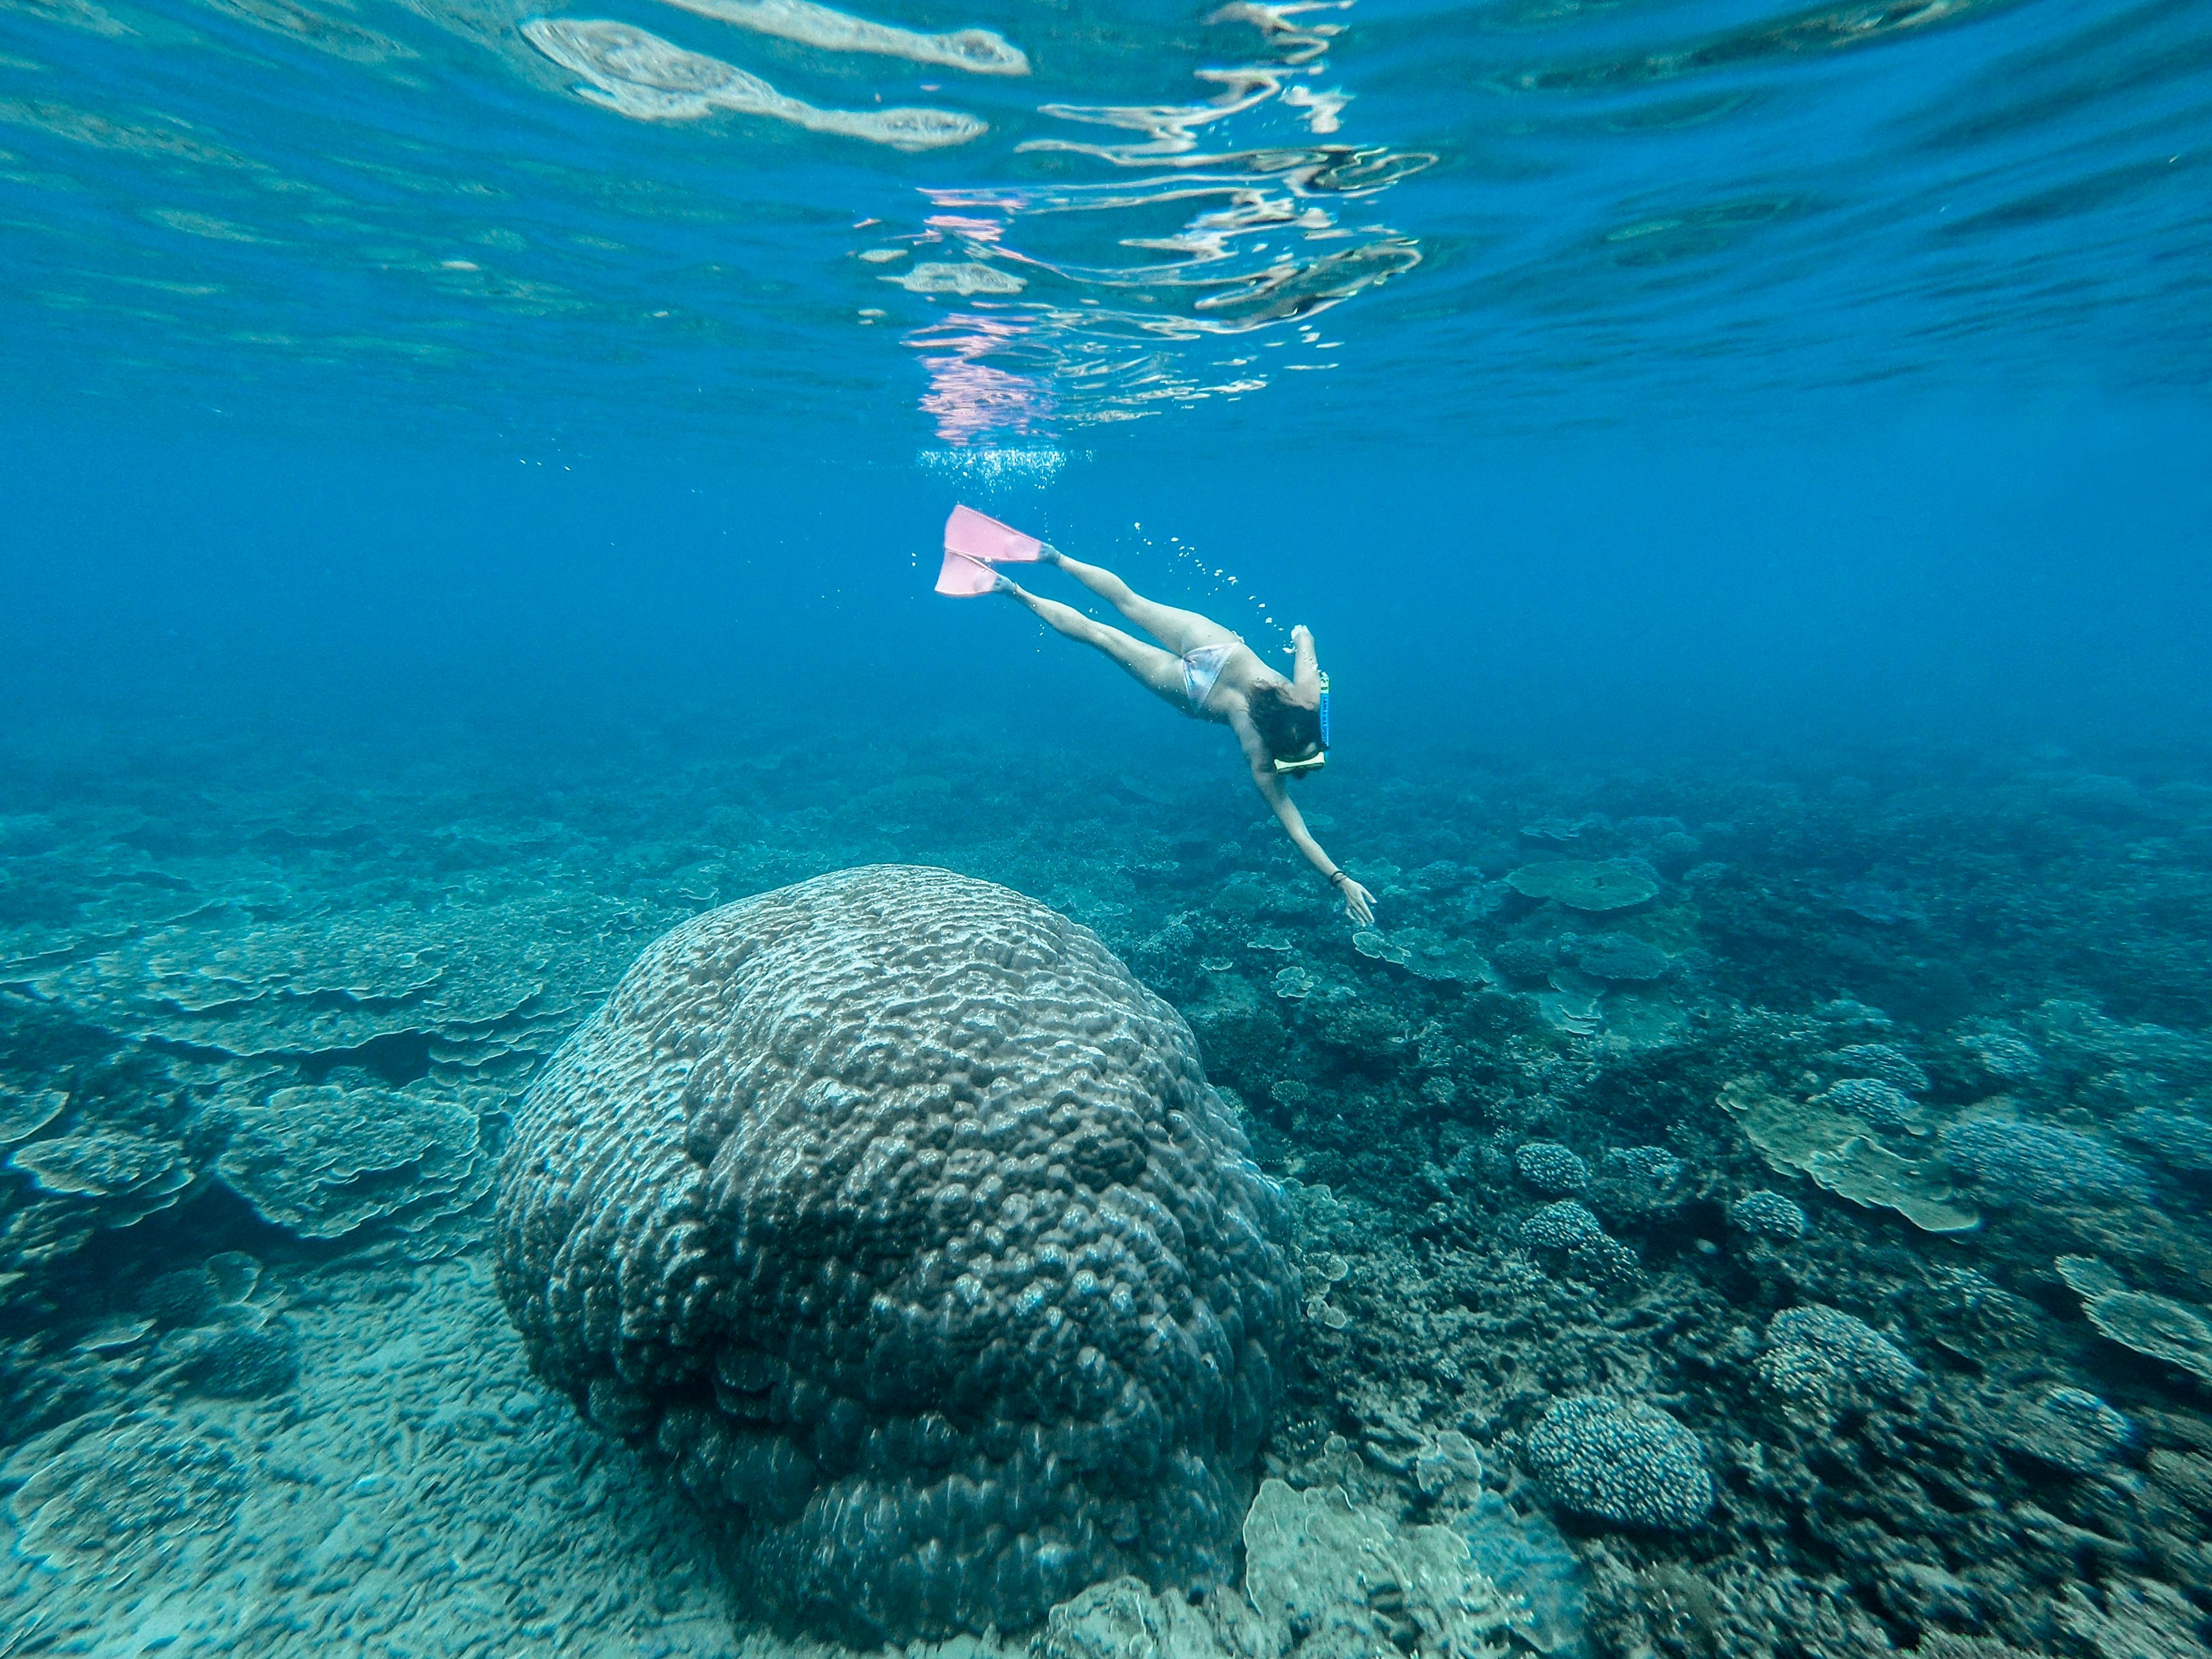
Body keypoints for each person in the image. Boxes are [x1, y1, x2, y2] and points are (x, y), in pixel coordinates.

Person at [989, 547, 1375, 927]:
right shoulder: (1261, 761)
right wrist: (1339, 880)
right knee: (1100, 637)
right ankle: (1014, 591)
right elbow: (1298, 832)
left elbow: (1306, 642)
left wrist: (1299, 638)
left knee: (1130, 602)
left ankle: (1055, 558)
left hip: (1218, 647)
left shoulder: (1307, 697)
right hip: (1195, 692)